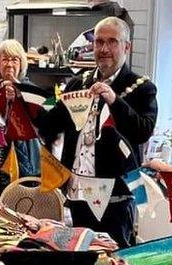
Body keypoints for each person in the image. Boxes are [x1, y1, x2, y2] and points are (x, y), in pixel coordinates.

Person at [35, 17, 158, 247]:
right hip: (77, 195)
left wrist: (114, 100)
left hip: (116, 198)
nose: (104, 49)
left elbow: (143, 131)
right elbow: (51, 125)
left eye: (112, 42)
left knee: (114, 262)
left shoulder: (142, 87)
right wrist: (24, 99)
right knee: (79, 255)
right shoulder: (77, 83)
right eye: (99, 42)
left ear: (127, 47)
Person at [0, 39, 45, 210]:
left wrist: (19, 96)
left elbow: (41, 124)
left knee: (25, 209)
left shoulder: (30, 90)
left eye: (15, 59)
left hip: (25, 163)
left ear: (21, 63)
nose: (9, 64)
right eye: (5, 59)